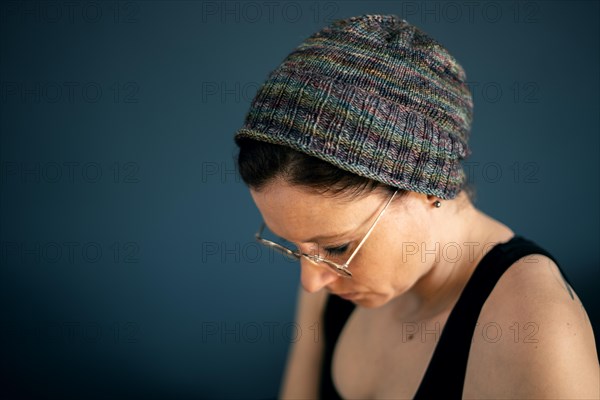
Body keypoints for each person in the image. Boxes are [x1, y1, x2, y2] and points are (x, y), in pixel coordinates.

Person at [233, 14, 599, 399]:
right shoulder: (330, 280)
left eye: (337, 247)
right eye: (294, 247)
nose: (310, 282)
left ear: (426, 188)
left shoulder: (535, 326)